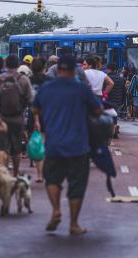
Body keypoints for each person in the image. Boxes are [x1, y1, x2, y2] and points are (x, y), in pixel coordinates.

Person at [32, 55, 102, 235]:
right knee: (77, 185)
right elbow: (97, 109)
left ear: (57, 70)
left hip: (54, 144)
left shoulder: (46, 89)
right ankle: (73, 224)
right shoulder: (81, 89)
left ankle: (55, 210)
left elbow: (34, 108)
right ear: (73, 70)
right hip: (78, 145)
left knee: (53, 179)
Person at [0, 55, 33, 177]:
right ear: (17, 65)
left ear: (6, 65)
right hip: (18, 118)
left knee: (2, 148)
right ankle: (15, 174)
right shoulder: (23, 79)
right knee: (16, 149)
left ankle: (2, 174)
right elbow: (30, 99)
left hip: (0, 119)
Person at [29, 58, 51, 183]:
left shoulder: (28, 80)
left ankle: (39, 174)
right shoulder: (50, 81)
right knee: (46, 142)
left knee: (38, 144)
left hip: (33, 114)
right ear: (44, 67)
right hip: (48, 114)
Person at [106, 64, 126, 138]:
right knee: (115, 115)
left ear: (108, 69)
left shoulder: (107, 78)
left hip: (108, 100)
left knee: (108, 116)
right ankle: (114, 128)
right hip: (118, 101)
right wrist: (123, 102)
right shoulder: (121, 79)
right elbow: (124, 91)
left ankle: (111, 130)